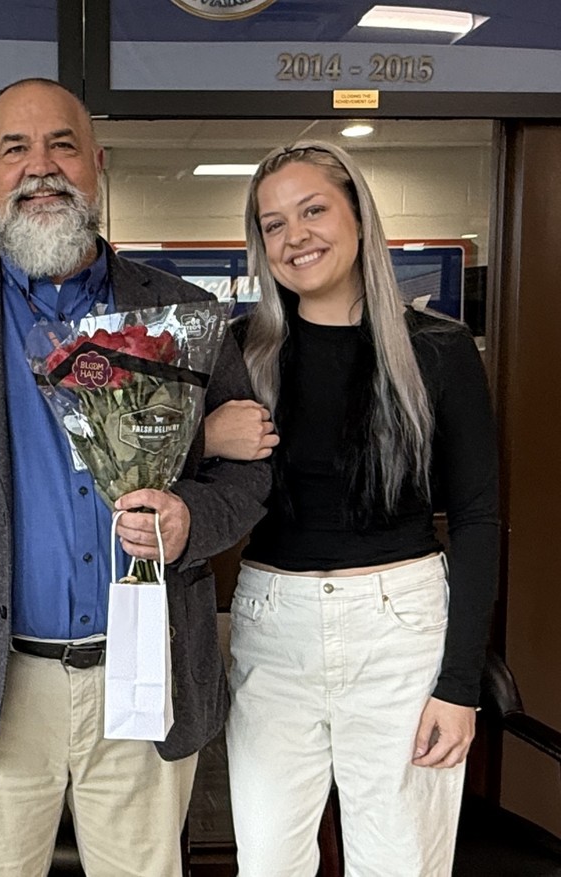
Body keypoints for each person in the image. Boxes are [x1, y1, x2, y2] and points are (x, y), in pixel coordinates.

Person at [0, 78, 271, 877]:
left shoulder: (180, 311)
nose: (41, 168)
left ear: (97, 166)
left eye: (62, 145)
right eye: (15, 148)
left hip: (144, 671)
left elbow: (243, 478)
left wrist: (189, 521)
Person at [203, 140, 499, 876]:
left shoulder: (438, 350)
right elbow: (180, 488)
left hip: (401, 628)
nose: (294, 236)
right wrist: (205, 435)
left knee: (400, 861)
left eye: (312, 211)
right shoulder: (240, 351)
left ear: (359, 217)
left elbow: (479, 518)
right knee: (269, 861)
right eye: (272, 224)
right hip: (274, 626)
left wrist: (459, 686)